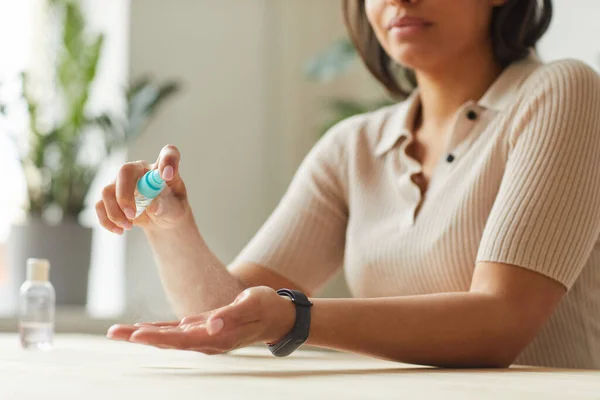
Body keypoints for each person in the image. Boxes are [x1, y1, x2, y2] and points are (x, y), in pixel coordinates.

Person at [98, 0, 600, 368]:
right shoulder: (353, 146)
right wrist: (170, 226)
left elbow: (501, 323)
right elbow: (226, 319)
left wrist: (296, 319)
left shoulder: (560, 94)